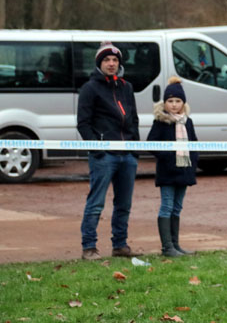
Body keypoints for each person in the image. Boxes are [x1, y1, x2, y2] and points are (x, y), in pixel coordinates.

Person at [77, 41, 140, 260]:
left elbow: (133, 119)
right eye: (106, 60)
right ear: (99, 63)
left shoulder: (127, 87)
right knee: (96, 204)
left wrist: (135, 149)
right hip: (104, 157)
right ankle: (89, 247)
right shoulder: (89, 88)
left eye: (115, 60)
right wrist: (98, 149)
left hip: (127, 155)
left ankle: (120, 245)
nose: (111, 63)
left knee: (124, 204)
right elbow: (83, 123)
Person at [147, 76, 199, 257]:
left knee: (177, 207)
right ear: (164, 103)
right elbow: (151, 144)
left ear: (183, 103)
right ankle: (167, 247)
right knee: (167, 206)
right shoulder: (160, 122)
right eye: (170, 101)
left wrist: (192, 166)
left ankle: (176, 245)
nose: (174, 105)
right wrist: (168, 157)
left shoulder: (188, 122)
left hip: (184, 172)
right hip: (167, 173)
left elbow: (194, 146)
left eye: (178, 101)